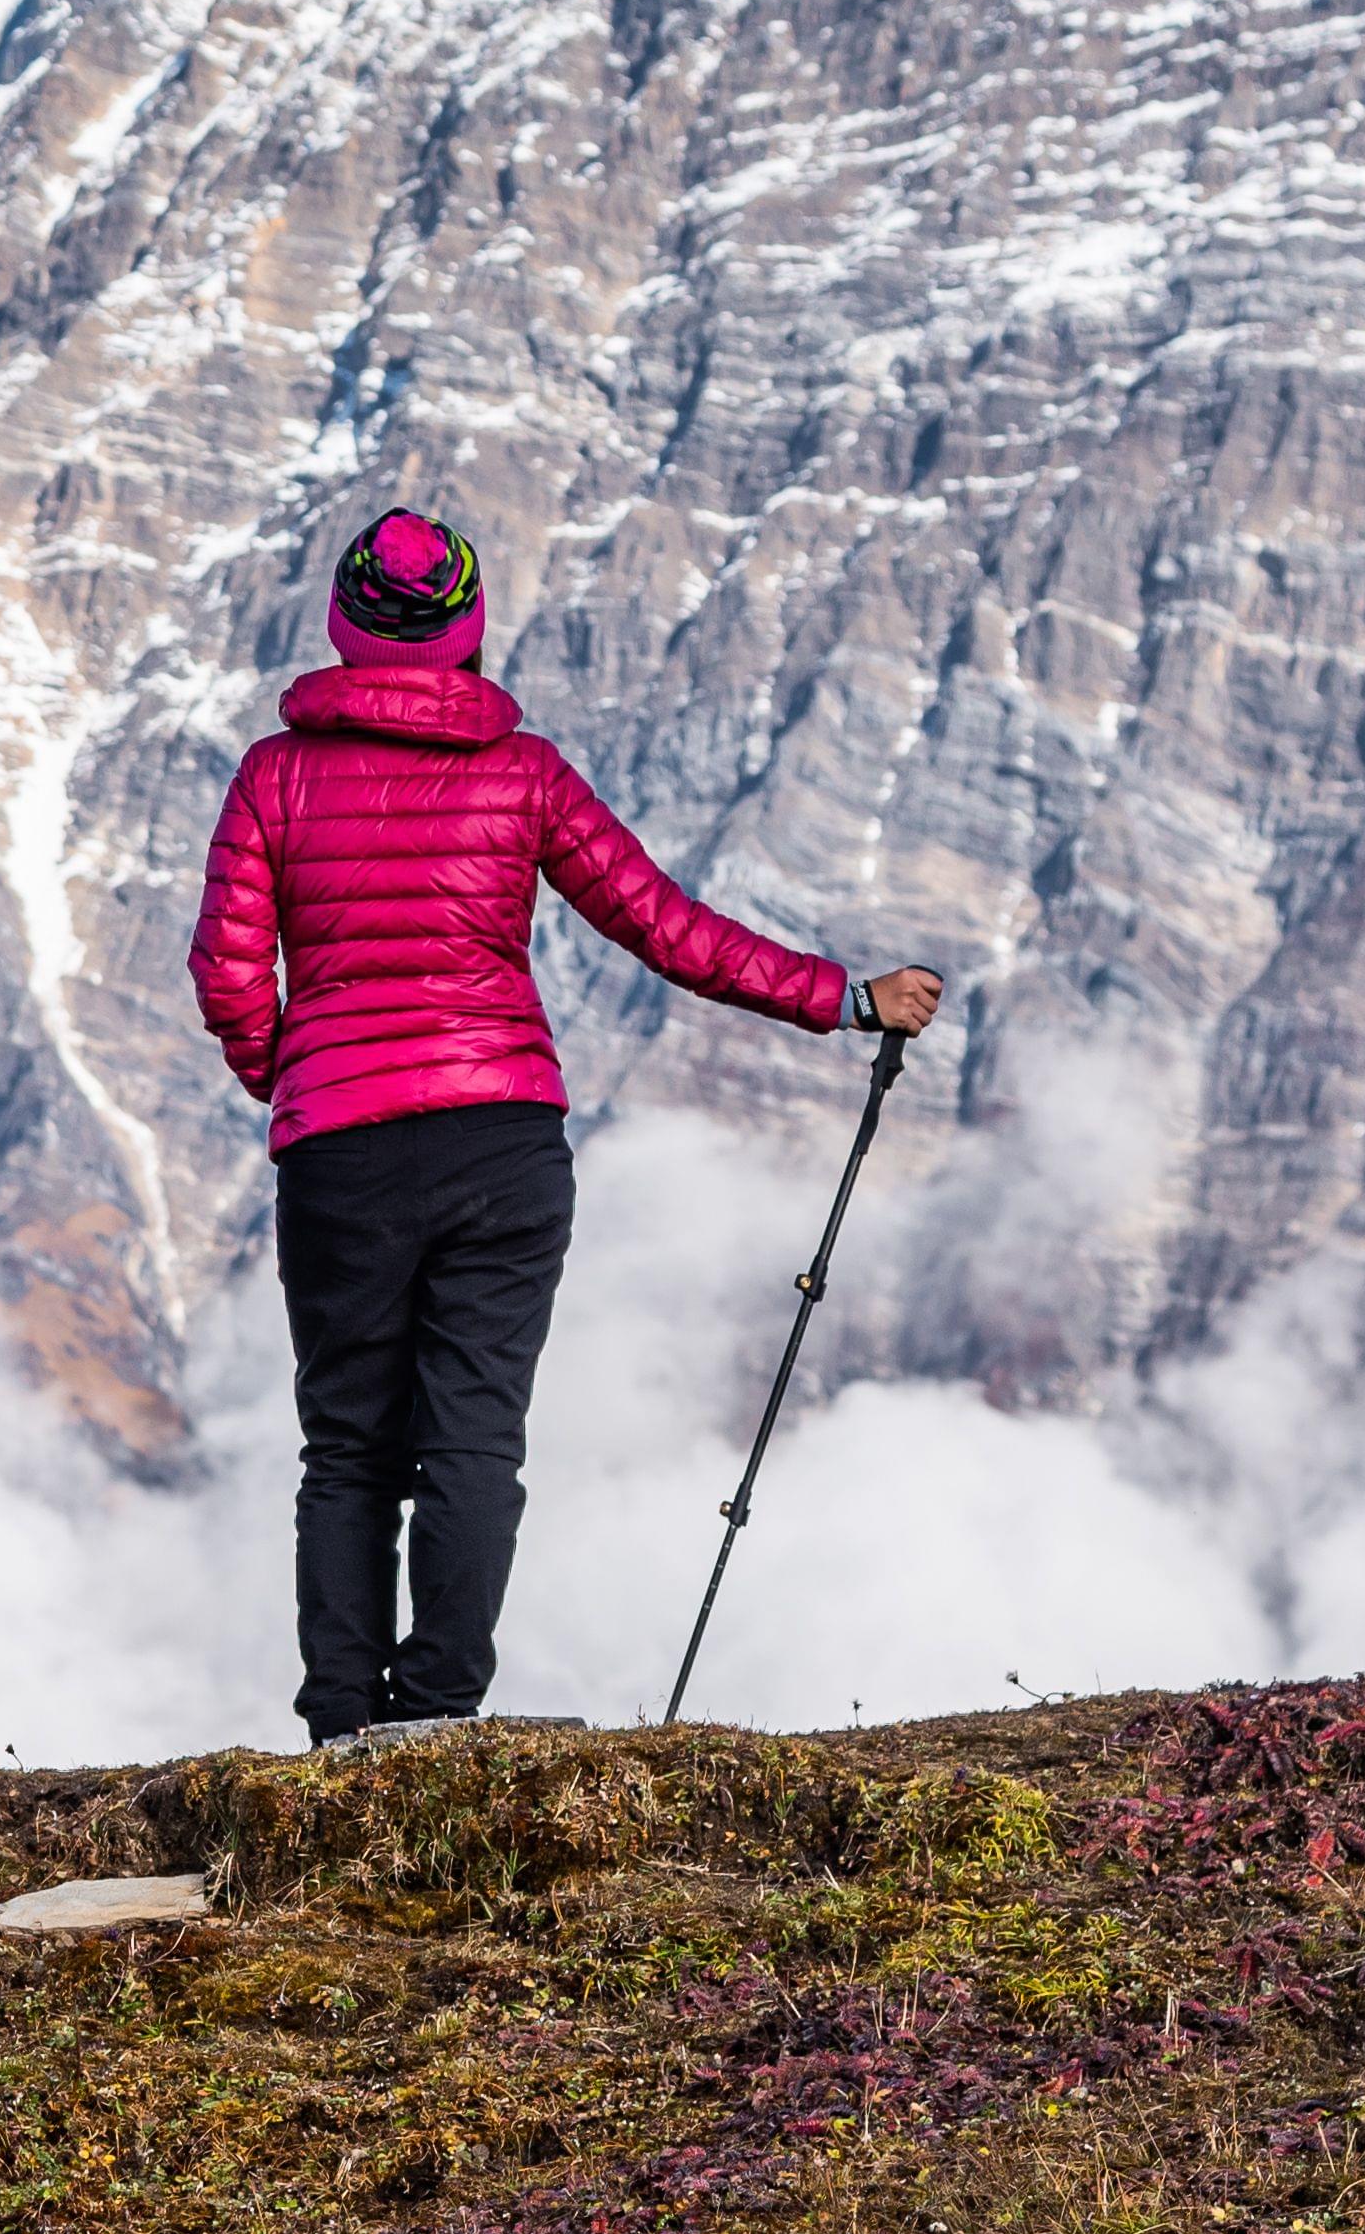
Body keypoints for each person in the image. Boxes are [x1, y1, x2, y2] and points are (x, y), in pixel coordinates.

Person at [189, 506, 944, 1746]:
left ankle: (337, 1728)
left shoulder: (274, 777)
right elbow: (663, 923)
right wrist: (844, 998)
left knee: (346, 1450)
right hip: (503, 1141)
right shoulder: (521, 774)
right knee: (472, 1434)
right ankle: (434, 1719)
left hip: (340, 1155)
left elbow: (225, 970)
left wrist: (297, 1070)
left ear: (346, 622)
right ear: (466, 626)